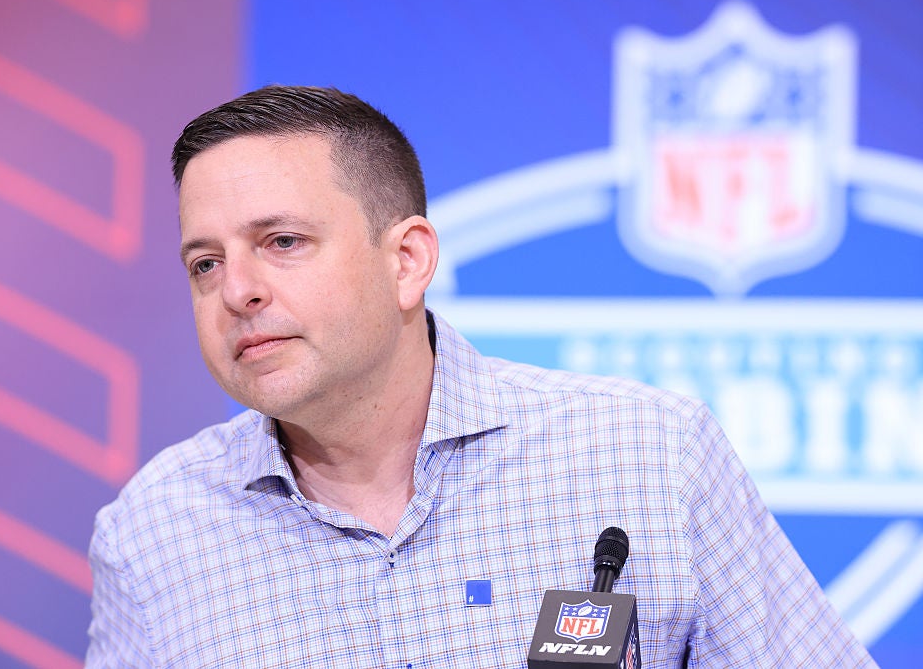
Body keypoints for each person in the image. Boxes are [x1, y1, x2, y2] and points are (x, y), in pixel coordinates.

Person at [86, 85, 876, 668]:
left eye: (283, 241)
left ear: (407, 260)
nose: (237, 290)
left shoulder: (650, 453)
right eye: (204, 262)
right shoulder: (153, 533)